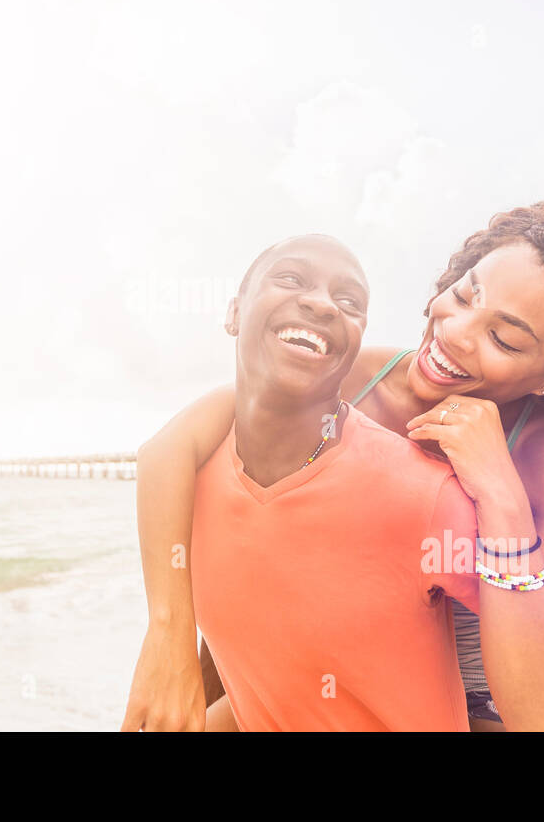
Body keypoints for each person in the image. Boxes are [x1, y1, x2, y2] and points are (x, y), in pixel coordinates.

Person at [122, 199, 544, 732]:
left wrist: (500, 493)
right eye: (466, 293)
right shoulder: (350, 376)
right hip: (328, 679)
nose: (455, 333)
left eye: (504, 337)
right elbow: (174, 452)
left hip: (502, 704)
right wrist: (169, 640)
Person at [157, 232, 491, 730]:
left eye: (349, 301)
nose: (320, 303)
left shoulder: (424, 495)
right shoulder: (191, 476)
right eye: (291, 279)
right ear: (233, 313)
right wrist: (169, 648)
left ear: (354, 340)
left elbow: (543, 645)